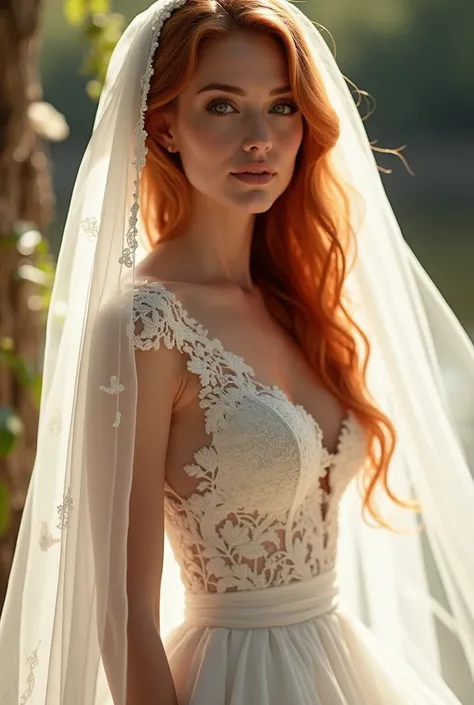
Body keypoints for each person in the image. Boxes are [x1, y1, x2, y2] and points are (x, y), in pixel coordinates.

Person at [0, 0, 473, 704]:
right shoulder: (145, 324)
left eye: (281, 107)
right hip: (235, 676)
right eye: (223, 107)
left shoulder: (302, 300)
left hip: (343, 664)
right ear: (164, 127)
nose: (260, 138)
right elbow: (118, 610)